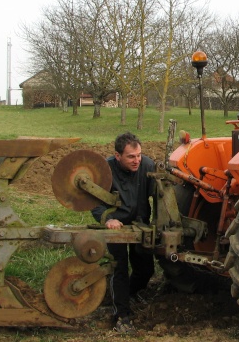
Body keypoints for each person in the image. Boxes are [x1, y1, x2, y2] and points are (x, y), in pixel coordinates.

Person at [91, 132, 156, 334]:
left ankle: (129, 293)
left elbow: (159, 193)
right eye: (131, 157)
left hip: (140, 224)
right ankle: (122, 316)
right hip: (116, 227)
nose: (137, 160)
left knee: (146, 269)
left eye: (138, 155)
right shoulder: (106, 170)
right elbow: (95, 203)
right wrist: (108, 219)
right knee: (118, 269)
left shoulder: (147, 166)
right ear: (118, 156)